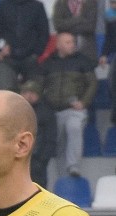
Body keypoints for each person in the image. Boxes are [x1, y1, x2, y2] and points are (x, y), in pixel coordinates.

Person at [40, 32, 97, 177]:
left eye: (73, 42)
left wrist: (83, 102)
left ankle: (73, 166)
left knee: (74, 127)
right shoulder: (48, 63)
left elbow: (93, 83)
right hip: (53, 110)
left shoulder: (83, 61)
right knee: (57, 142)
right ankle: (61, 175)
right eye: (68, 42)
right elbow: (39, 85)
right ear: (58, 45)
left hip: (74, 109)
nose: (72, 45)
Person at [0, 0, 49, 92]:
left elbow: (43, 33)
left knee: (31, 93)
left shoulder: (37, 6)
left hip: (30, 59)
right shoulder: (3, 6)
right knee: (8, 92)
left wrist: (36, 54)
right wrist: (0, 49)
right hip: (8, 59)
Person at [19, 79, 57, 187]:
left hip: (38, 159)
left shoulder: (46, 111)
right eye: (26, 92)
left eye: (32, 93)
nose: (29, 95)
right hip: (18, 158)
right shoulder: (15, 111)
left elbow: (51, 136)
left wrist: (43, 159)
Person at [101, 0, 116, 126]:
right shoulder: (111, 17)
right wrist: (104, 54)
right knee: (112, 80)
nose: (114, 6)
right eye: (112, 3)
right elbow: (109, 38)